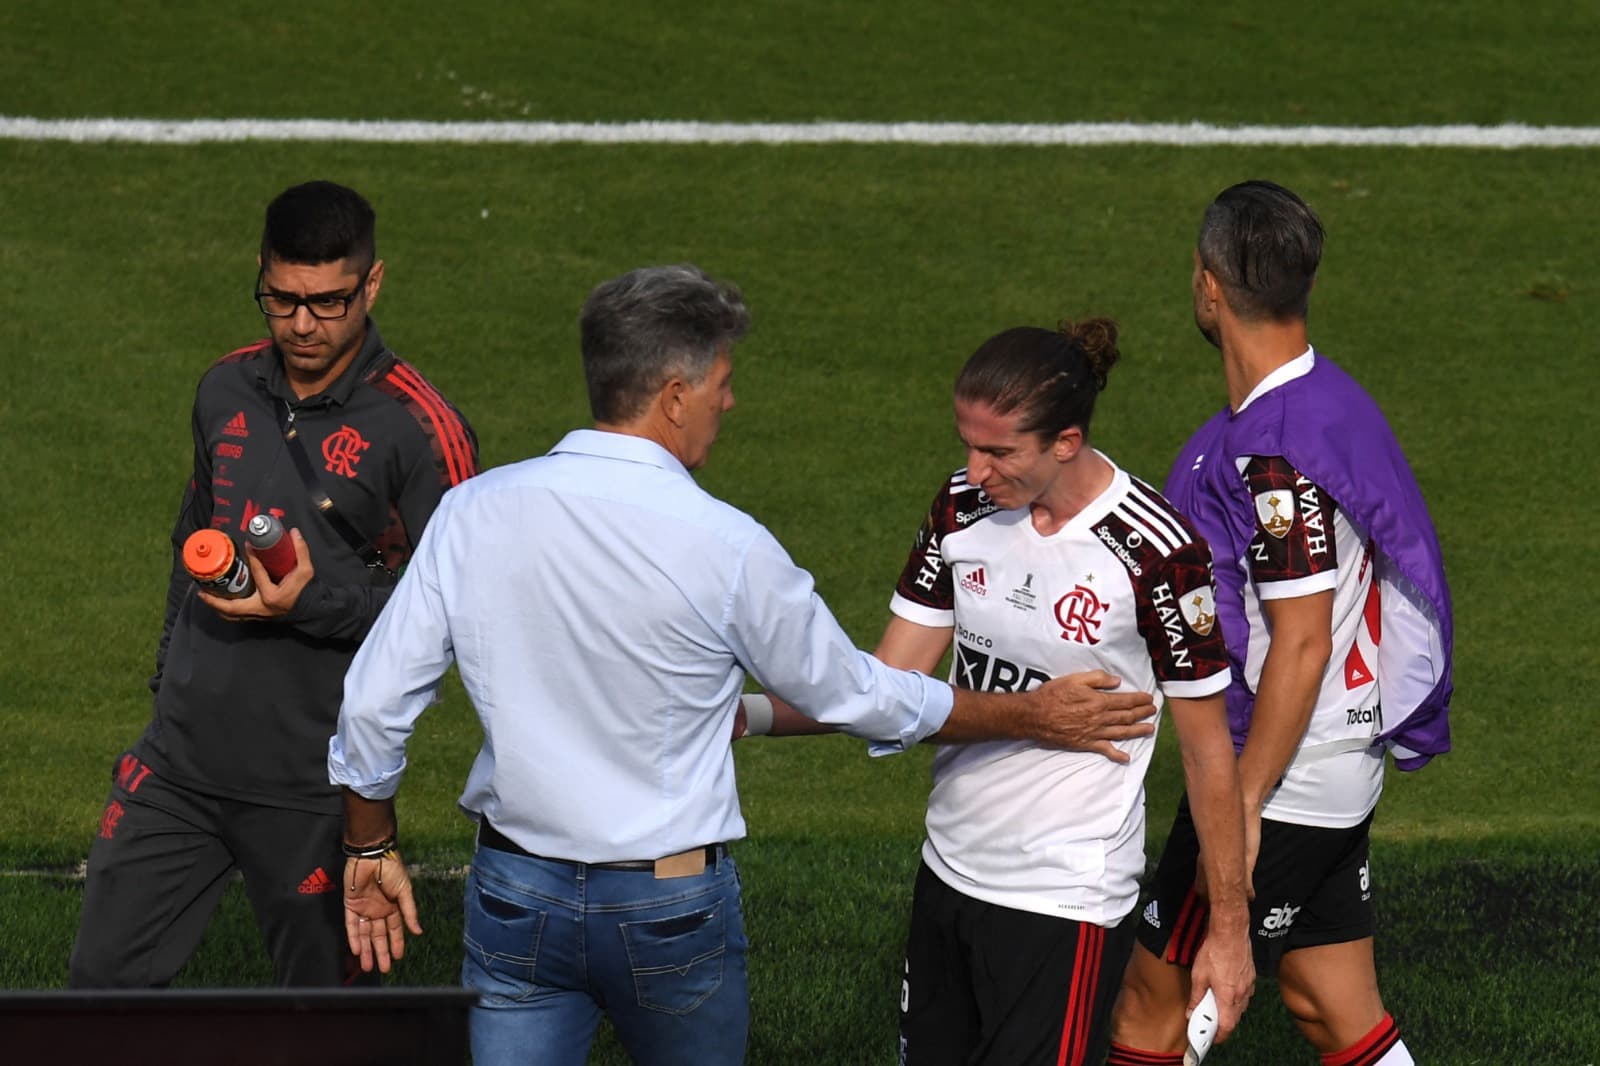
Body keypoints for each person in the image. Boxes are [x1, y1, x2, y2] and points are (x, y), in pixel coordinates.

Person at [327, 264, 1164, 1066]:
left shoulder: (475, 512)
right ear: (674, 395)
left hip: (515, 894)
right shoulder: (728, 546)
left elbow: (372, 703)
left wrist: (368, 850)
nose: (730, 400)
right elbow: (854, 694)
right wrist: (1030, 714)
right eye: (721, 381)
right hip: (668, 911)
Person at [68, 181, 479, 988]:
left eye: (328, 302)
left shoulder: (420, 430)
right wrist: (166, 689)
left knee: (329, 1027)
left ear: (372, 284)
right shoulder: (223, 388)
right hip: (176, 770)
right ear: (261, 273)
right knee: (96, 999)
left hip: (314, 789)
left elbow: (465, 614)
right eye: (281, 298)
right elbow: (192, 547)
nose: (301, 324)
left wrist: (315, 603)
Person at [1107, 181, 1453, 1066]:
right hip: (1342, 763)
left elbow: (1297, 641)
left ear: (1209, 285)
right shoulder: (1331, 401)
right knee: (1330, 1002)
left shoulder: (1269, 455)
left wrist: (1243, 803)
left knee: (1147, 1013)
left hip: (1283, 778)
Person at [870, 320, 1253, 1066]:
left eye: (999, 452)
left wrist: (1229, 932)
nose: (973, 470)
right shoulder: (961, 508)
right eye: (967, 444)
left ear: (1067, 442)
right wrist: (756, 712)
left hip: (1064, 897)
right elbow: (889, 691)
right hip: (947, 868)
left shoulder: (1158, 552)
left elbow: (1209, 753)